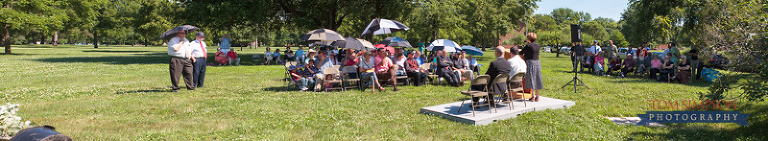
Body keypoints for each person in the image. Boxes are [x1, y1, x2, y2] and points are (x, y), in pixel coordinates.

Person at [520, 33, 543, 102]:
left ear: (528, 38)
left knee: (531, 78)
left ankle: (532, 96)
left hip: (530, 63)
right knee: (537, 78)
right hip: (537, 63)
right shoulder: (538, 46)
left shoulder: (528, 45)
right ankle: (537, 96)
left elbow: (521, 52)